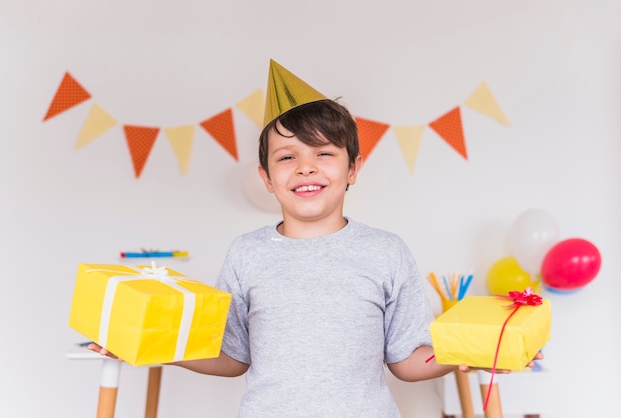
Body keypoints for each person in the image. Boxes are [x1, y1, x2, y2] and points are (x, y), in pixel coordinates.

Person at [90, 60, 541, 417]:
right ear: (267, 178)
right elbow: (231, 357)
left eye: (324, 153)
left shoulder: (385, 251)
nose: (306, 167)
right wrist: (146, 342)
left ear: (353, 170)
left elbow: (406, 361)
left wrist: (480, 349)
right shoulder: (247, 254)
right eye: (287, 157)